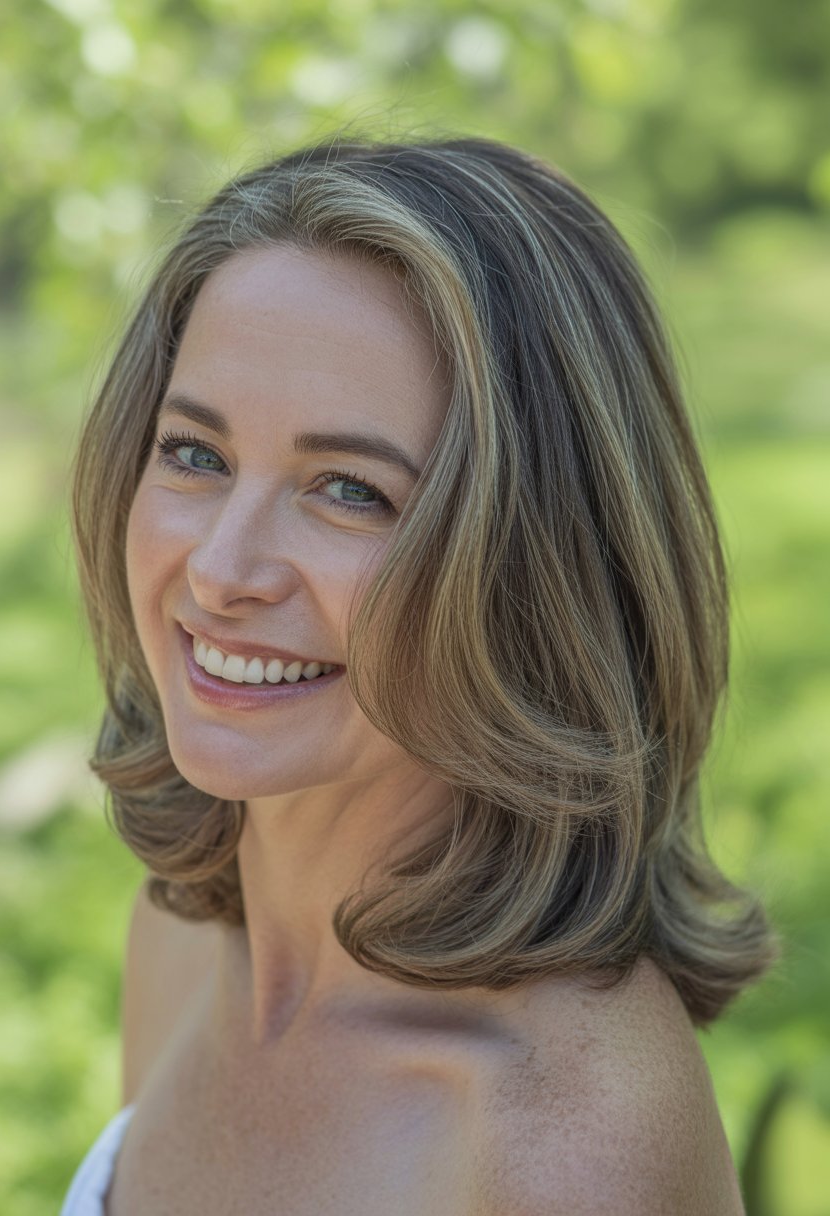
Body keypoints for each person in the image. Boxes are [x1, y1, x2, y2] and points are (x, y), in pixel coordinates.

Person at [64, 136, 775, 1215]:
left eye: (348, 489)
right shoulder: (185, 936)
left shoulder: (560, 1142)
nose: (220, 571)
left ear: (532, 567)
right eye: (196, 454)